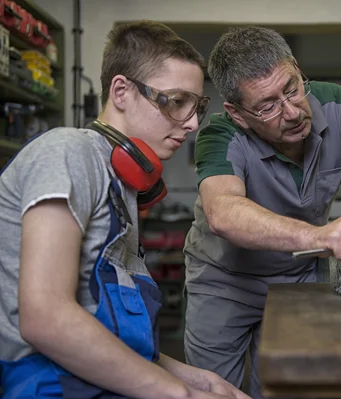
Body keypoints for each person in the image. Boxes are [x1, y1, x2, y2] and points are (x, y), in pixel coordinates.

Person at [0, 21, 249, 399]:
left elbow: (108, 333)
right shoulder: (68, 152)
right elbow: (45, 318)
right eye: (177, 101)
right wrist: (179, 393)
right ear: (121, 91)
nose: (194, 123)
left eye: (197, 106)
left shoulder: (121, 185)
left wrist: (194, 378)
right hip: (48, 385)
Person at [183, 25, 341, 398]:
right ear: (237, 113)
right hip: (225, 283)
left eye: (292, 89)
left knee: (288, 384)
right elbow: (223, 212)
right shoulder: (221, 135)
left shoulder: (338, 106)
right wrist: (322, 235)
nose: (292, 112)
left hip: (299, 280)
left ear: (298, 69)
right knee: (211, 392)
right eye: (267, 106)